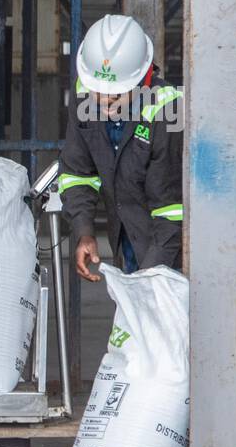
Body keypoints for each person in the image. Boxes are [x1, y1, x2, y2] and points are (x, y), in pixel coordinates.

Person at [60, 14, 184, 279]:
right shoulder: (83, 97)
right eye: (98, 90)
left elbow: (171, 209)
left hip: (168, 250)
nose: (104, 101)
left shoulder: (169, 110)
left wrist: (149, 279)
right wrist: (84, 231)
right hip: (126, 238)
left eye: (116, 93)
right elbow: (77, 174)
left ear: (141, 81)